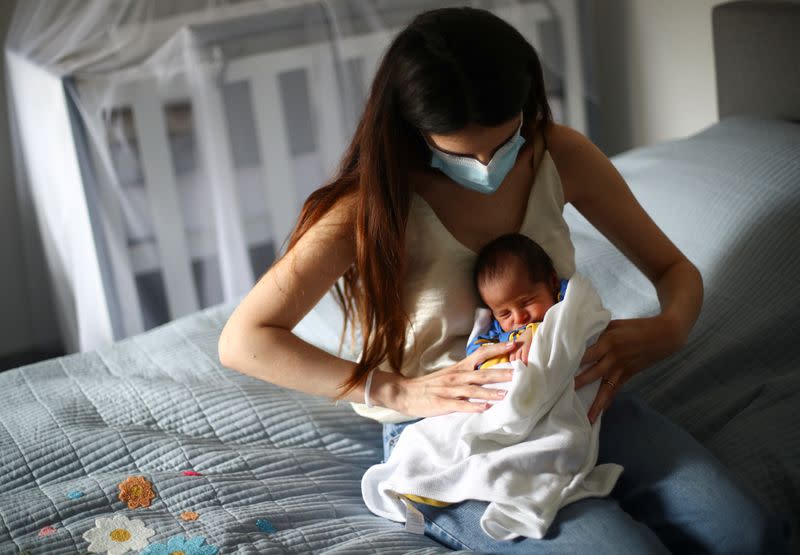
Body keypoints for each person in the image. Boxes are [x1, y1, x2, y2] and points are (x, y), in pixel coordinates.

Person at [218, 7, 788, 553]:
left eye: (503, 141)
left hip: (573, 392)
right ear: (414, 128)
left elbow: (672, 270)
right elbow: (245, 339)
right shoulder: (369, 208)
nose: (491, 165)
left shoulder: (557, 153)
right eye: (466, 154)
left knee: (747, 536)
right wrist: (397, 390)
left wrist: (671, 328)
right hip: (453, 432)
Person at [467, 232, 569, 369]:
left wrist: (537, 331)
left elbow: (579, 315)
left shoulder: (566, 297)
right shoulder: (496, 332)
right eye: (505, 314)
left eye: (526, 302)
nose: (519, 318)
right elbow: (476, 355)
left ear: (553, 283)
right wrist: (503, 354)